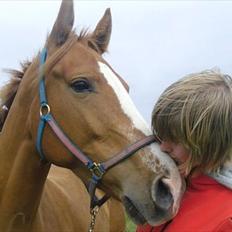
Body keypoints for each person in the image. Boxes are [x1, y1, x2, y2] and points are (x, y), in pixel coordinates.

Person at [137, 69, 232, 232]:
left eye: (175, 140)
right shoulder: (167, 186)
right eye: (162, 136)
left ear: (208, 144)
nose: (163, 147)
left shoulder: (225, 220)